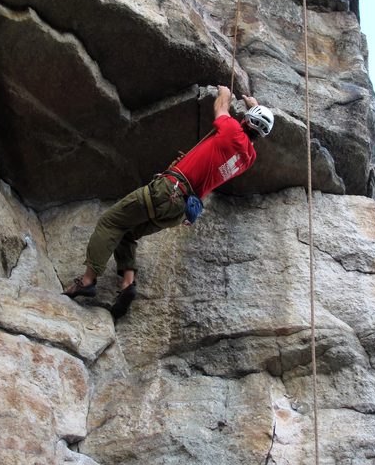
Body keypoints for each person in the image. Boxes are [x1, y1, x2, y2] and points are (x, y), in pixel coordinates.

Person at [63, 85, 274, 319]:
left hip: (168, 190)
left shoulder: (232, 131)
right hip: (180, 209)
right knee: (128, 232)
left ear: (246, 121)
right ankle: (127, 286)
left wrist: (225, 91)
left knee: (109, 222)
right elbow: (252, 136)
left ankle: (87, 280)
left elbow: (222, 107)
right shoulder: (248, 158)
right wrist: (254, 107)